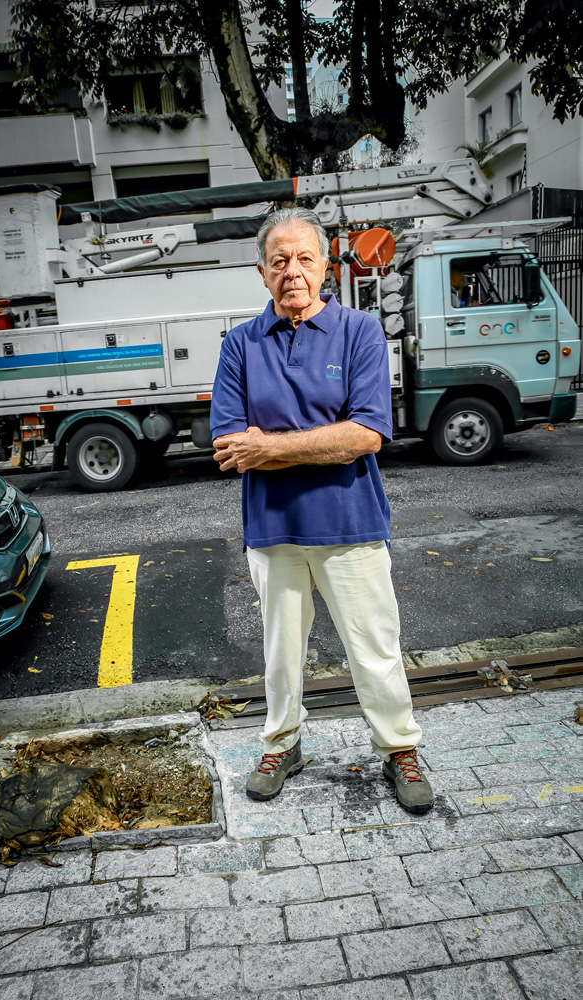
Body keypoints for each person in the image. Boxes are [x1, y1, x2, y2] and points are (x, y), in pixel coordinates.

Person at [209, 207, 433, 815]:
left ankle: (399, 748)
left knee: (375, 648)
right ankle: (282, 744)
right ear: (262, 272)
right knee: (279, 652)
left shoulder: (360, 332)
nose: (293, 272)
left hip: (351, 522)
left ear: (325, 265)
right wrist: (310, 444)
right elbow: (231, 448)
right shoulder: (240, 344)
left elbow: (364, 436)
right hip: (272, 531)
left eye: (304, 258)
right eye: (279, 261)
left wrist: (270, 445)